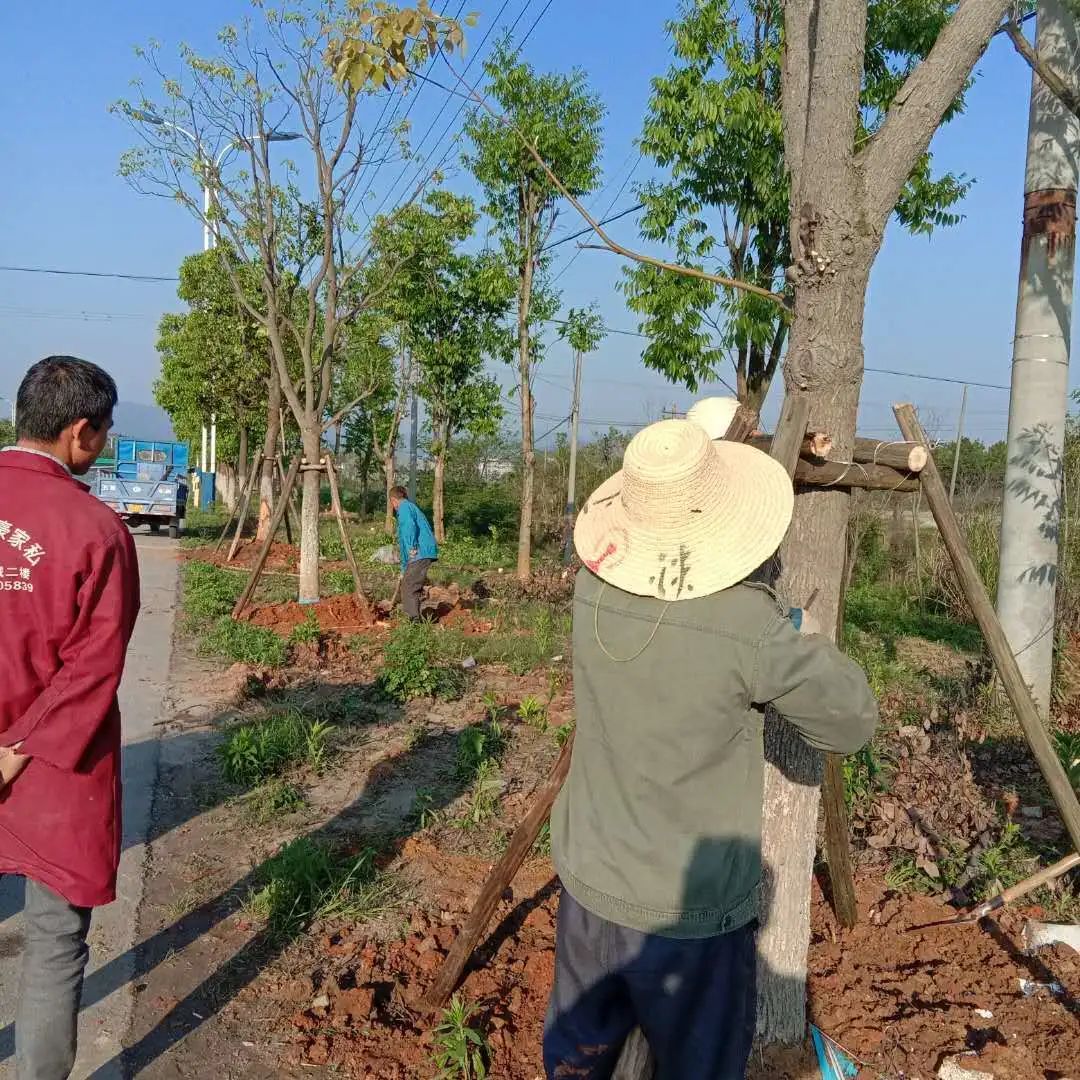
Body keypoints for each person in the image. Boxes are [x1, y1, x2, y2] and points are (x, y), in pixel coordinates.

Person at [545, 417, 878, 1080]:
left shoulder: (592, 584)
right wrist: (796, 629)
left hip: (590, 878)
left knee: (580, 1057)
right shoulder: (745, 625)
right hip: (687, 915)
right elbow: (851, 722)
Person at [0, 356, 141, 1079]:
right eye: (107, 430)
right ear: (81, 431)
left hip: (35, 757)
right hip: (53, 771)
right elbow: (94, 663)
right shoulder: (95, 529)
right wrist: (20, 746)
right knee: (54, 942)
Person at [389, 485, 438, 621]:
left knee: (409, 585)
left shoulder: (404, 507)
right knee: (409, 582)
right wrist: (404, 569)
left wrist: (412, 547)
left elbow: (410, 527)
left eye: (392, 503)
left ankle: (414, 621)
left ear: (393, 500)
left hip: (420, 551)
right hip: (420, 552)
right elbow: (404, 542)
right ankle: (417, 614)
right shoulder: (409, 508)